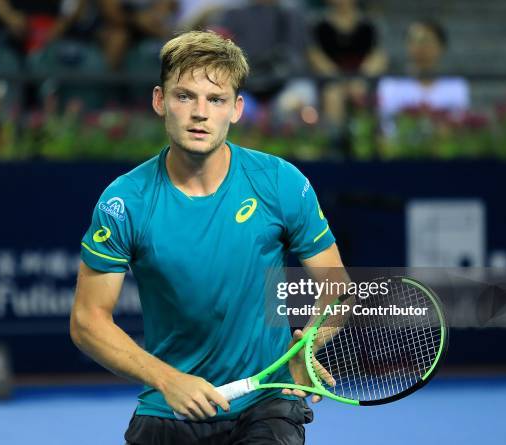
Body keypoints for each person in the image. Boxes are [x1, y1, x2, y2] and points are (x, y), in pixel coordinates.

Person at [70, 30, 345, 444]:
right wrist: (168, 380)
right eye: (185, 96)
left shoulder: (280, 182)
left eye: (215, 100)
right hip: (169, 407)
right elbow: (87, 321)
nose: (200, 113)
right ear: (160, 101)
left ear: (235, 109)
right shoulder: (125, 201)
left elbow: (336, 287)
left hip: (266, 402)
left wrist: (308, 348)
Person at [308, 0, 387, 145]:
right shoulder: (319, 25)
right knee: (333, 96)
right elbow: (315, 56)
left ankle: (363, 143)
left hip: (360, 80)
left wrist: (360, 78)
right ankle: (335, 144)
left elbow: (378, 57)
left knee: (360, 93)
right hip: (332, 80)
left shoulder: (369, 25)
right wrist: (340, 79)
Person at [377, 19, 470, 135]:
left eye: (425, 41)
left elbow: (458, 125)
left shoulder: (456, 85)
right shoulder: (391, 84)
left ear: (441, 46)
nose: (419, 47)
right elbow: (388, 128)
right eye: (413, 41)